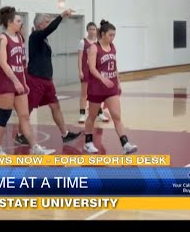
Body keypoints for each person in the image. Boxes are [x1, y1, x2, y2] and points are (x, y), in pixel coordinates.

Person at [14, 10, 82, 146]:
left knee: (55, 106)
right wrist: (61, 16)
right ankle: (20, 135)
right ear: (39, 25)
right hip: (35, 79)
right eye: (46, 22)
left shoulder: (43, 38)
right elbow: (51, 28)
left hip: (47, 80)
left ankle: (65, 134)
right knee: (28, 108)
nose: (49, 24)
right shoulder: (36, 36)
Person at [0, 7, 55, 155]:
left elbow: (21, 63)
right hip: (5, 83)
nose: (21, 23)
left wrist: (24, 82)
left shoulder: (20, 38)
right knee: (4, 115)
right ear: (9, 22)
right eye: (18, 21)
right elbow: (3, 63)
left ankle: (35, 147)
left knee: (25, 116)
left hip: (19, 82)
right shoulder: (2, 39)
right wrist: (15, 81)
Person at [83, 19, 137, 154]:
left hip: (110, 87)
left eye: (114, 35)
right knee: (92, 116)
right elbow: (91, 68)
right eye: (110, 35)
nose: (113, 37)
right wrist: (103, 79)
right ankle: (88, 143)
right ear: (102, 34)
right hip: (97, 87)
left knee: (116, 116)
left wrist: (118, 82)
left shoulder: (113, 47)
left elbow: (115, 65)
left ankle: (125, 144)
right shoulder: (94, 48)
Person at [78, 22, 109, 123]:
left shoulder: (98, 43)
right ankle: (82, 114)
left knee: (97, 93)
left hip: (96, 71)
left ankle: (100, 113)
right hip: (86, 70)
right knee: (84, 93)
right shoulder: (83, 42)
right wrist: (80, 70)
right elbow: (79, 58)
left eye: (94, 29)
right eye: (90, 29)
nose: (92, 31)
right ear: (87, 30)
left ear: (96, 31)